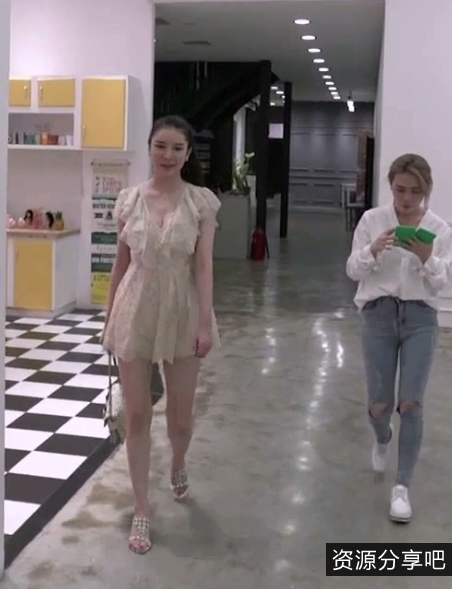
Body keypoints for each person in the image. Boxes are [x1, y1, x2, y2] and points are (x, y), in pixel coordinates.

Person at [102, 114, 221, 553]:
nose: (168, 155)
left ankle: (178, 459)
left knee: (180, 417)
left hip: (184, 308)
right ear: (150, 148)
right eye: (160, 145)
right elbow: (120, 264)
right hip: (135, 307)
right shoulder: (129, 200)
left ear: (188, 154)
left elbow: (204, 266)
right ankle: (141, 508)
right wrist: (109, 317)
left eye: (177, 148)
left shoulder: (201, 203)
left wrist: (204, 323)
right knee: (137, 414)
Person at [346, 153, 452, 523]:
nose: (406, 199)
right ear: (391, 187)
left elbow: (441, 284)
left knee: (411, 403)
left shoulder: (439, 229)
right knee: (380, 403)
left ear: (427, 190)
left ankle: (402, 487)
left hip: (420, 317)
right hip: (378, 314)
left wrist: (426, 258)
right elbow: (352, 269)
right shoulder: (372, 220)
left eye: (415, 192)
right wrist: (373, 249)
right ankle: (382, 436)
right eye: (400, 190)